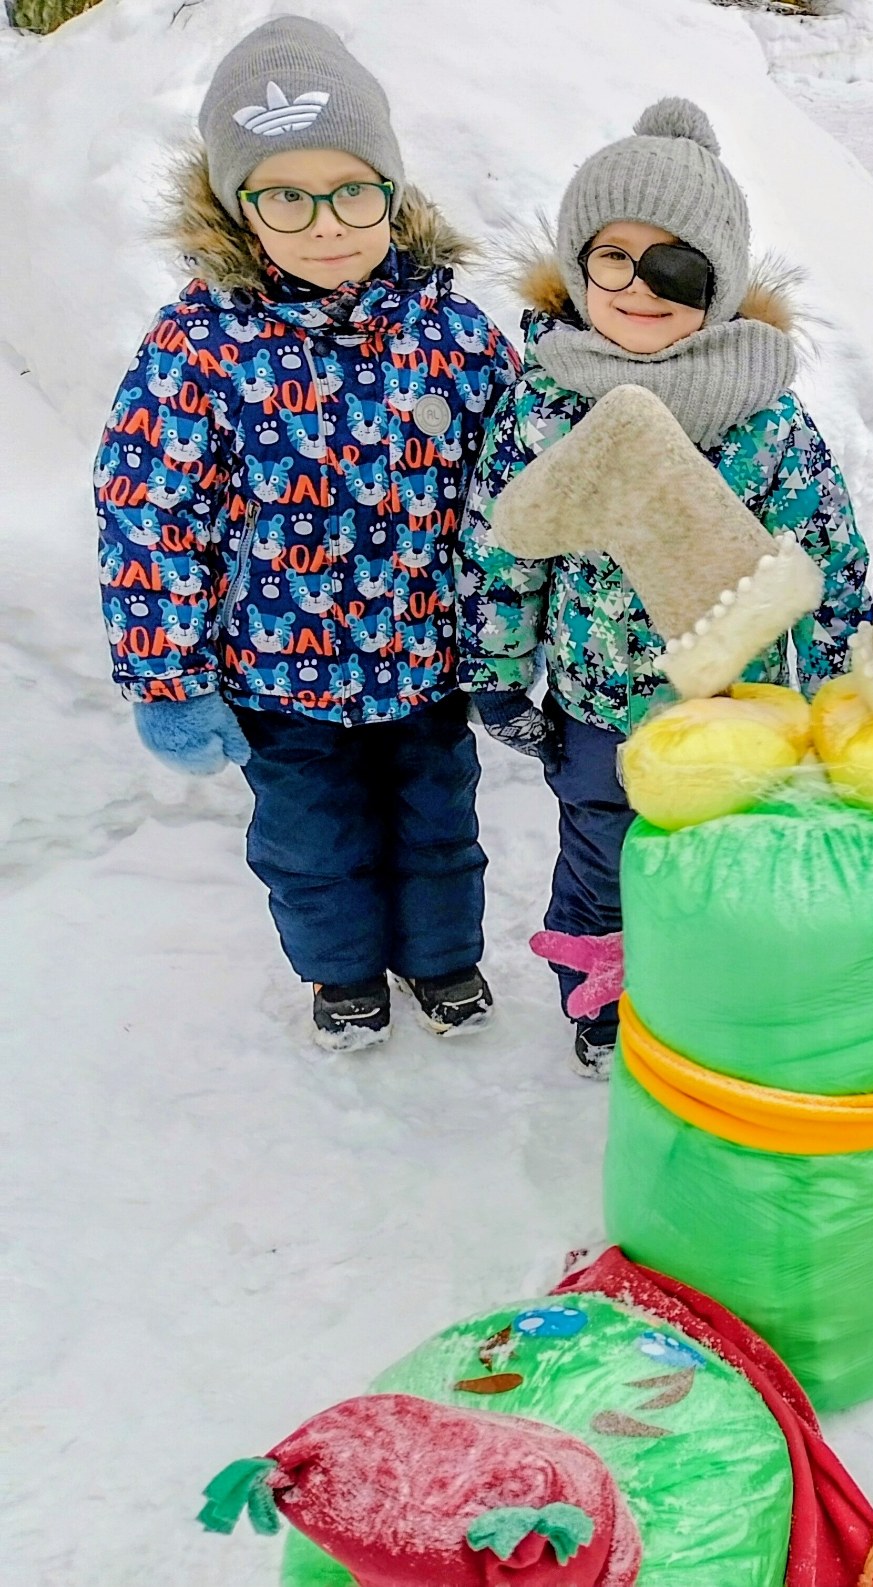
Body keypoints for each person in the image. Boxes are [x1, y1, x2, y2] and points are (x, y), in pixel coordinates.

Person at [95, 18, 517, 1049]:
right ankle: (340, 974)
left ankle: (442, 959)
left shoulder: (451, 332)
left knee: (437, 827)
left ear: (392, 191)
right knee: (310, 838)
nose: (327, 224)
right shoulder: (197, 347)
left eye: (352, 190)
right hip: (279, 675)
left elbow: (518, 484)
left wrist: (519, 624)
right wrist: (169, 674)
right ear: (241, 209)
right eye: (288, 195)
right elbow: (148, 514)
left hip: (426, 660)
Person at [459, 98, 870, 1078]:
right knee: (604, 861)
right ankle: (603, 1003)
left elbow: (832, 556)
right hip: (602, 708)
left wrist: (839, 693)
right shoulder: (547, 400)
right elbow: (504, 547)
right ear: (577, 263)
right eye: (613, 257)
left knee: (724, 866)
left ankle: (708, 1000)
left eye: (675, 266)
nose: (640, 287)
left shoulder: (764, 416)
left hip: (735, 713)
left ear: (719, 282)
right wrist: (501, 672)